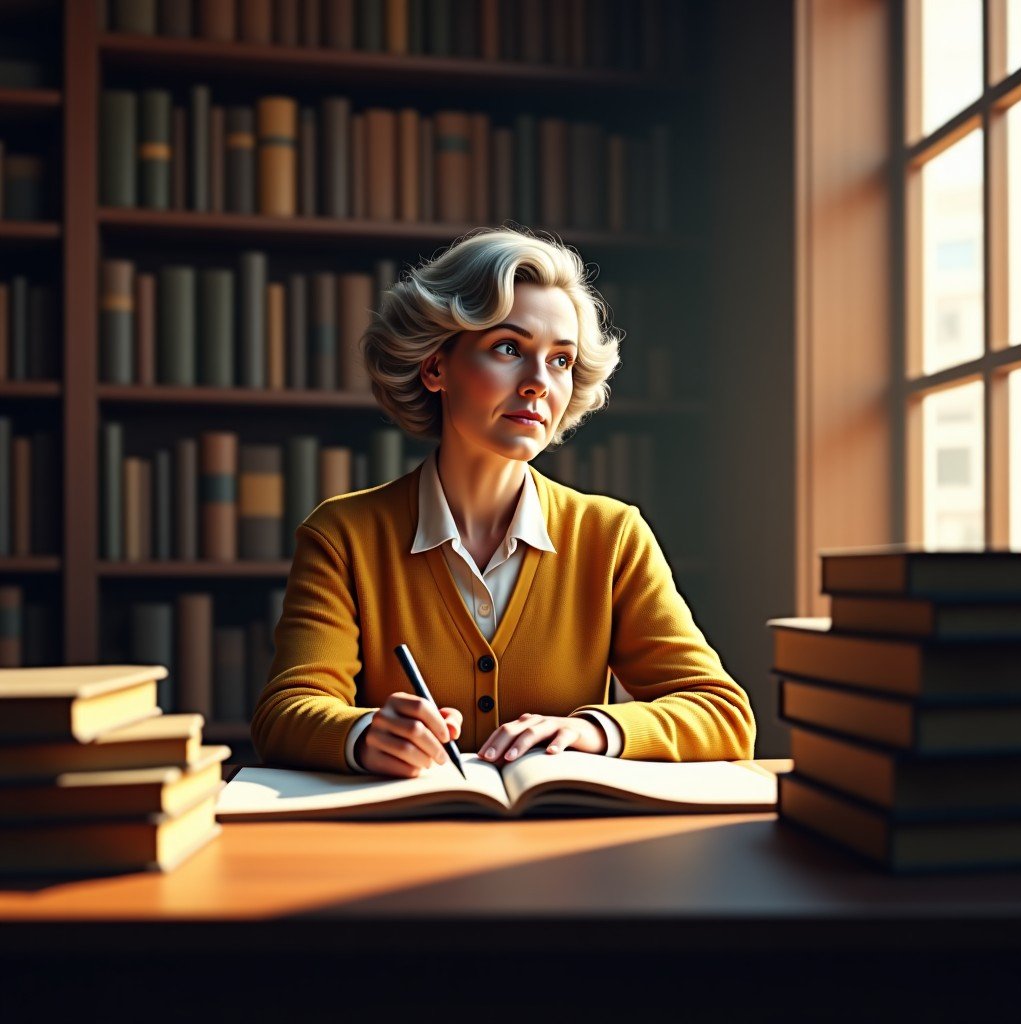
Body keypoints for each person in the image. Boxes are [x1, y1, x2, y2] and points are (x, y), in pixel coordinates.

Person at [251, 226, 755, 777]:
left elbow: (723, 716)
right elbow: (284, 714)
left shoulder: (611, 536)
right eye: (509, 348)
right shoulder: (343, 535)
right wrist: (367, 733)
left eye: (560, 360)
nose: (539, 382)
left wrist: (595, 729)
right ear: (435, 367)